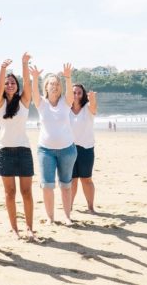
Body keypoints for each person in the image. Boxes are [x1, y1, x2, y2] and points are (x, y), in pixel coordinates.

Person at [0, 53, 35, 240]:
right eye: (7, 83)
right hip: (4, 151)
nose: (10, 85)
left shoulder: (24, 101)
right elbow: (0, 86)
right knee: (10, 193)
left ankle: (29, 227)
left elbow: (27, 83)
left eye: (13, 83)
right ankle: (14, 228)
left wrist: (24, 64)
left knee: (26, 192)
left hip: (23, 150)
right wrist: (2, 70)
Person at [30, 64, 77, 225]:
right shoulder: (41, 103)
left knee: (65, 185)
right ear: (46, 87)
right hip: (45, 151)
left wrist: (68, 77)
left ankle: (67, 217)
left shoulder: (66, 102)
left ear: (60, 87)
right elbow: (34, 93)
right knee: (47, 185)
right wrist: (35, 77)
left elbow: (70, 93)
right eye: (51, 84)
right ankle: (50, 217)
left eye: (57, 84)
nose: (54, 86)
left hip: (67, 150)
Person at [70, 84, 98, 213]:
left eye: (79, 93)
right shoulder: (65, 109)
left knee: (86, 179)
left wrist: (92, 99)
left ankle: (90, 207)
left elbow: (93, 107)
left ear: (83, 94)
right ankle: (68, 207)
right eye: (74, 92)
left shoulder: (87, 108)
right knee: (72, 180)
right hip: (69, 149)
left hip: (86, 149)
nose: (76, 95)